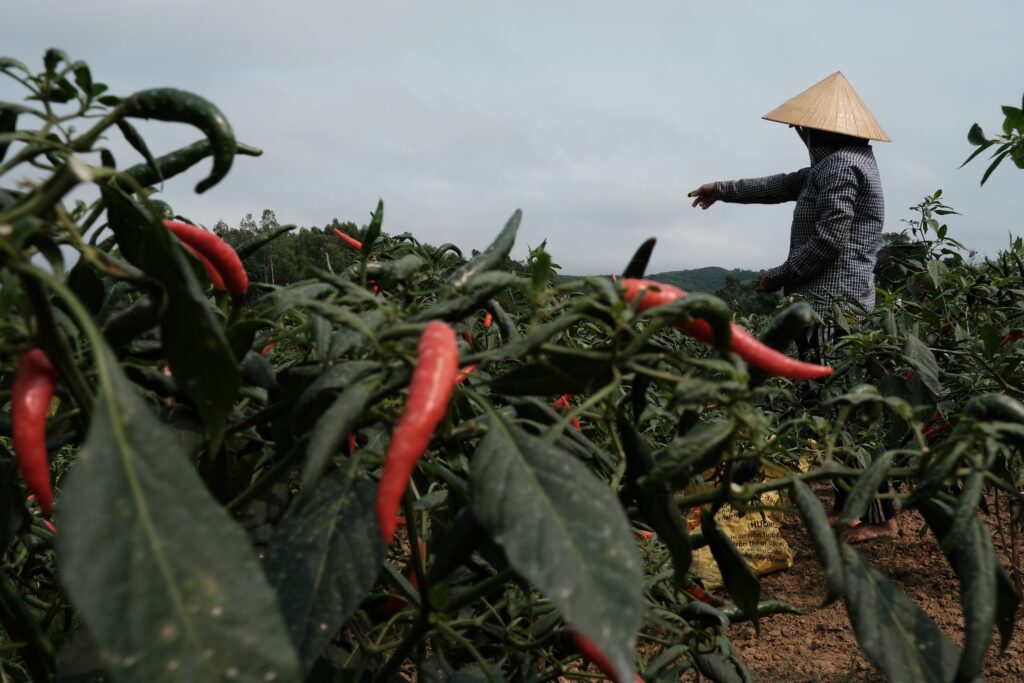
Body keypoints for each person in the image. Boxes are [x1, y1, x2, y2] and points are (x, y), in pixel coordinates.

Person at [688, 71, 896, 542]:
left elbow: (829, 239)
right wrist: (722, 188)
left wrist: (778, 277)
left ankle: (866, 517)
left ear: (817, 129)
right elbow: (780, 184)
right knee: (841, 402)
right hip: (830, 302)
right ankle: (870, 512)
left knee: (841, 402)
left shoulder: (842, 165)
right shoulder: (839, 163)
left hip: (834, 304)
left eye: (800, 129)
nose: (799, 135)